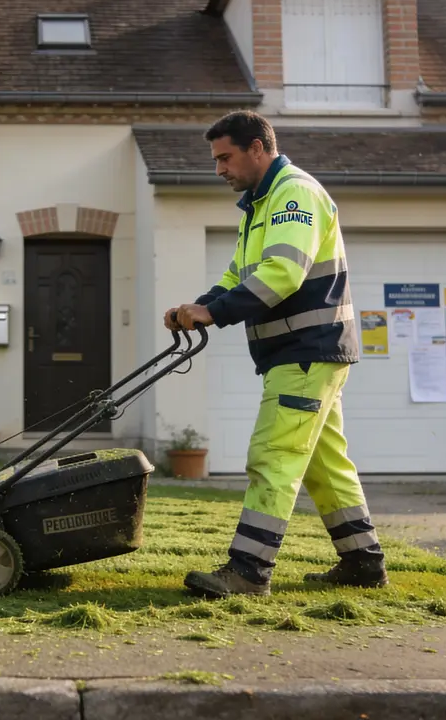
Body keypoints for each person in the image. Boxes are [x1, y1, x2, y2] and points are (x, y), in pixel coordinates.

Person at [165, 110, 388, 598]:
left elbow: (283, 274)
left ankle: (248, 570)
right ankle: (363, 563)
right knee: (324, 464)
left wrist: (214, 315)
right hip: (303, 353)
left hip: (307, 352)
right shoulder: (259, 205)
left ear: (257, 149)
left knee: (273, 456)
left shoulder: (294, 195)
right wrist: (198, 306)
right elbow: (237, 276)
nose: (219, 168)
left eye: (225, 157)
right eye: (215, 160)